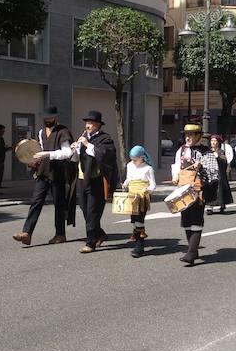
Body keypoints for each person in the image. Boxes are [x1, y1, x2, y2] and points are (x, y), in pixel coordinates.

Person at [12, 107, 77, 246]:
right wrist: (34, 161)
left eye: (50, 117)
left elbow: (67, 153)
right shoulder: (41, 132)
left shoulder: (63, 131)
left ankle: (60, 234)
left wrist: (47, 154)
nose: (47, 120)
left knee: (59, 204)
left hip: (58, 172)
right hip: (43, 172)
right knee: (36, 201)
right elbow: (40, 150)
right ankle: (27, 233)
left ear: (55, 117)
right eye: (46, 118)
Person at [71, 110, 118, 254]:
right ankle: (100, 233)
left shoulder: (105, 138)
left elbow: (104, 155)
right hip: (81, 178)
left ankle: (90, 242)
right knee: (84, 208)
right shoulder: (83, 137)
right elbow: (75, 159)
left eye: (91, 123)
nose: (88, 126)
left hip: (96, 180)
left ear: (97, 125)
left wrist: (87, 144)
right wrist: (75, 149)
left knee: (92, 211)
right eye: (87, 123)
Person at [171, 123, 212, 265]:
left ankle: (191, 252)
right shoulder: (181, 150)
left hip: (198, 187)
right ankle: (193, 249)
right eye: (186, 135)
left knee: (196, 218)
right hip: (183, 187)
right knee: (186, 218)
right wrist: (175, 176)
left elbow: (214, 171)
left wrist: (202, 165)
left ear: (198, 136)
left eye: (191, 135)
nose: (188, 137)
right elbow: (176, 165)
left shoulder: (206, 151)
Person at [122, 145, 156, 257]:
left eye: (135, 159)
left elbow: (153, 184)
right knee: (133, 220)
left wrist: (147, 190)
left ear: (142, 157)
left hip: (142, 197)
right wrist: (125, 184)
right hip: (132, 196)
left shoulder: (148, 168)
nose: (133, 161)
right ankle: (137, 242)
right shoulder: (130, 165)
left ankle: (139, 247)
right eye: (132, 159)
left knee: (139, 220)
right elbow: (129, 178)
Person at [206, 134, 233, 213]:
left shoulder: (221, 151)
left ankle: (221, 205)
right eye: (212, 141)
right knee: (211, 189)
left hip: (219, 173)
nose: (213, 142)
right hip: (210, 173)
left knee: (220, 189)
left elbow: (224, 161)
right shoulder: (208, 151)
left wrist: (217, 156)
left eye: (215, 141)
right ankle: (210, 207)